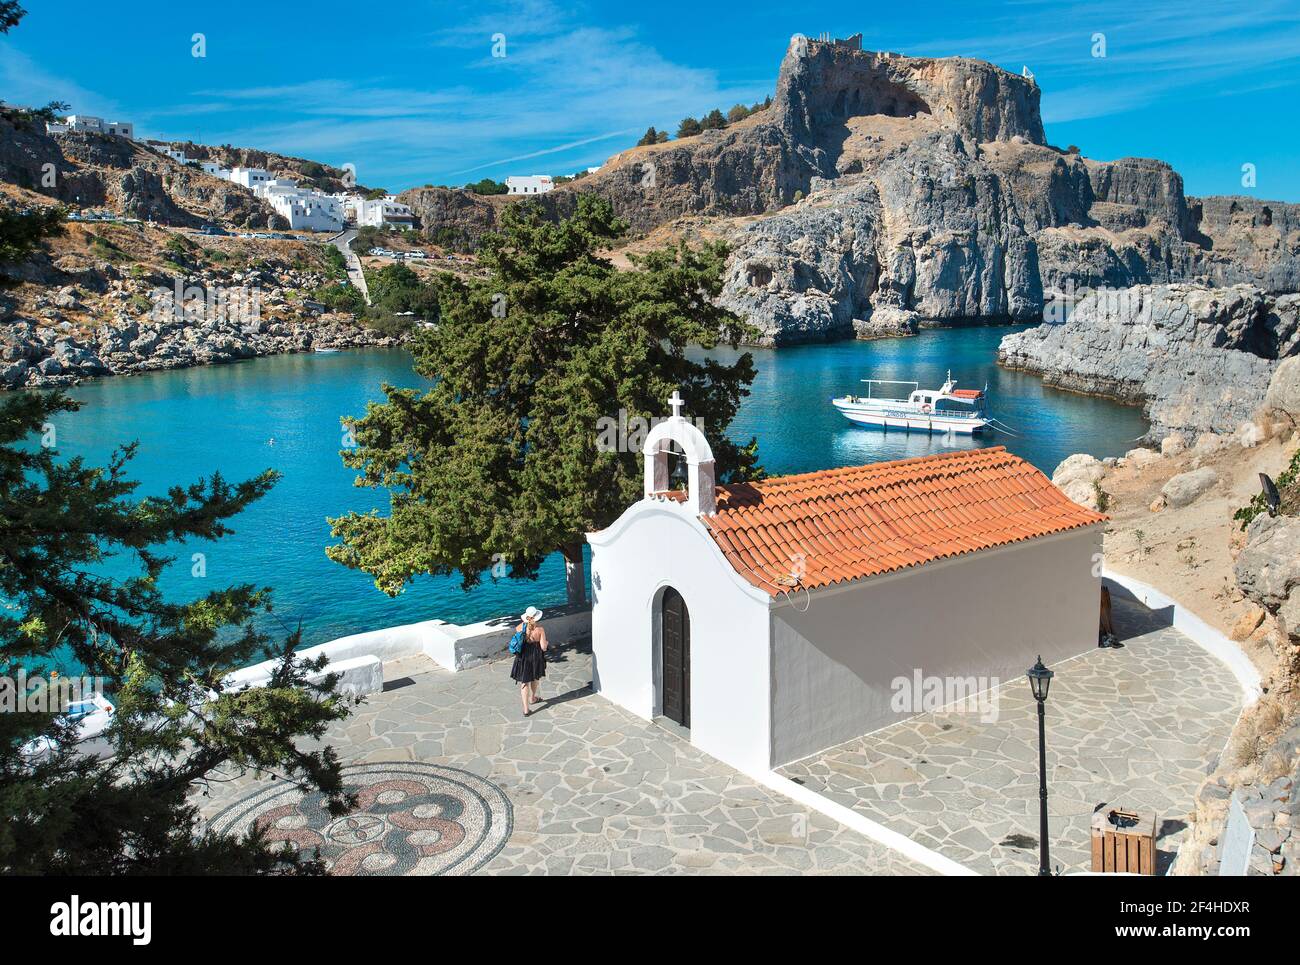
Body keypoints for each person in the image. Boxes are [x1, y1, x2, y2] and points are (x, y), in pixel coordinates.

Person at [511, 605, 549, 716]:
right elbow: (543, 647)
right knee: (534, 678)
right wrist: (546, 643)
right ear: (537, 617)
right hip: (535, 657)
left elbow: (518, 641)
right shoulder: (540, 630)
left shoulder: (519, 627)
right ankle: (533, 698)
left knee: (524, 682)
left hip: (522, 657)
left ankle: (526, 710)